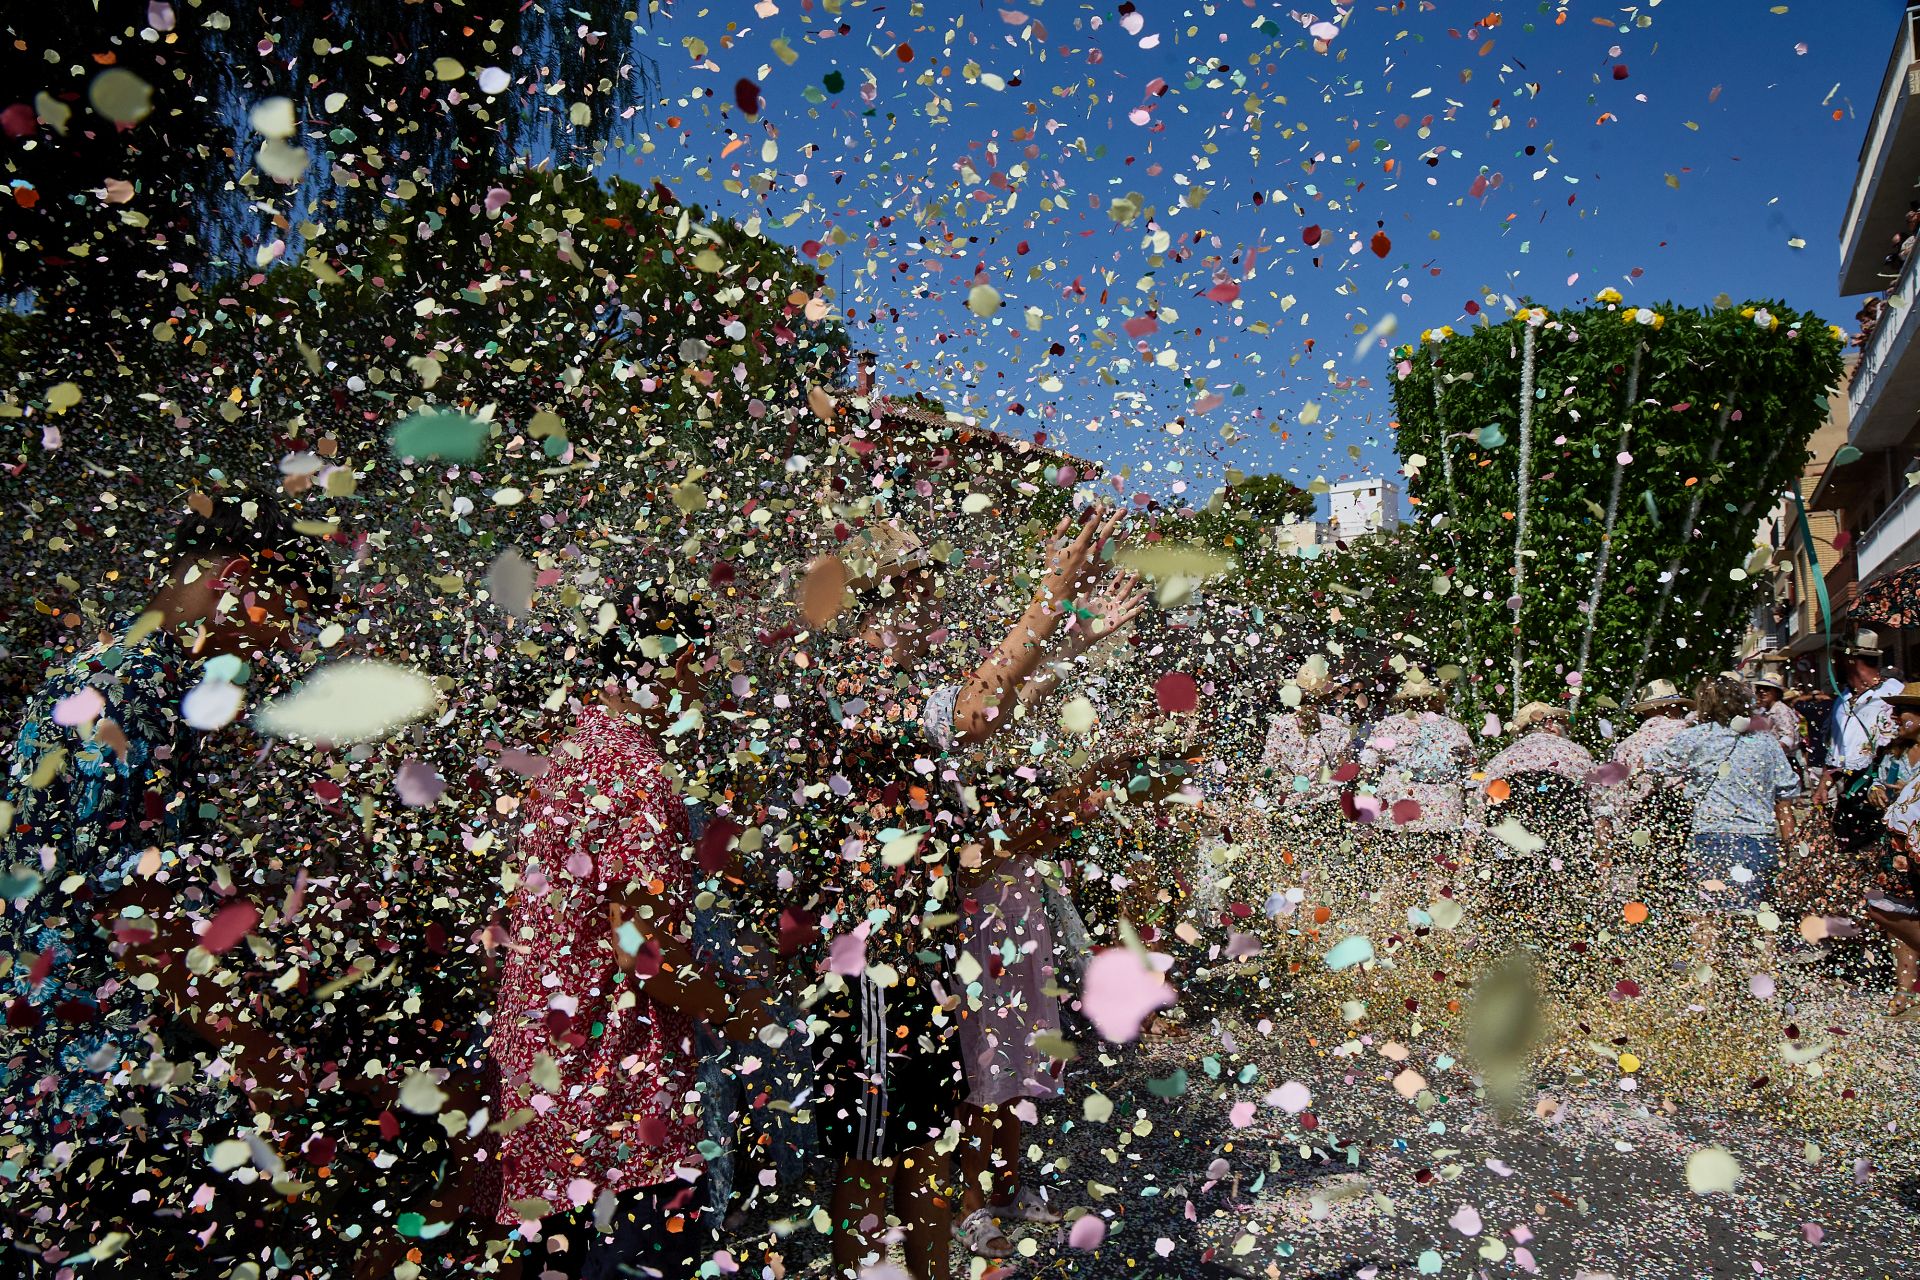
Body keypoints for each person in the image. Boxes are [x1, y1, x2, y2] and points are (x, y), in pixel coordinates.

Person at [0, 495, 330, 1268]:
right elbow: (130, 906)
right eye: (285, 617)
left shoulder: (107, 666)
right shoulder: (143, 686)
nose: (280, 645)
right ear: (236, 578)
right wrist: (255, 1054)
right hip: (93, 1070)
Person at [799, 507, 1121, 1280]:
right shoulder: (857, 685)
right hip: (874, 968)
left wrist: (1072, 638)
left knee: (923, 1150)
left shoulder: (897, 684)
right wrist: (1051, 593)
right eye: (923, 587)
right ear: (885, 601)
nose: (937, 603)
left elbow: (993, 706)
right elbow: (980, 709)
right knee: (872, 1163)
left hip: (919, 960)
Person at [489, 585, 769, 1280]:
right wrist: (737, 1012)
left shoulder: (568, 752)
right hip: (620, 1102)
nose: (698, 693)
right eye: (698, 671)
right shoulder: (638, 770)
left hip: (543, 1087)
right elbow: (640, 948)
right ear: (667, 665)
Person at [950, 563, 1150, 1258]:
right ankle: (973, 1202)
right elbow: (971, 855)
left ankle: (1007, 1186)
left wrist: (1084, 637)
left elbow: (1033, 687)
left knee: (1017, 1053)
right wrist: (1063, 811)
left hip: (1016, 904)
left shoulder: (994, 717)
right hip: (974, 914)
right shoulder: (944, 726)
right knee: (981, 1061)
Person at [1644, 677, 1800, 955]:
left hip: (1711, 837)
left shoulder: (1698, 736)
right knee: (1760, 916)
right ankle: (1765, 972)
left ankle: (1709, 975)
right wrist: (1790, 847)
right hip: (1759, 839)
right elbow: (1785, 795)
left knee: (1706, 915)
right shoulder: (1766, 742)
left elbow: (1652, 763)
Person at [1476, 702, 1597, 942]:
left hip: (1514, 842)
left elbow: (1481, 806)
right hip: (1564, 842)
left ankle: (1509, 935)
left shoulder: (1503, 758)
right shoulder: (1577, 754)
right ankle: (1564, 935)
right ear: (1552, 726)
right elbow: (1599, 804)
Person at [1361, 668, 1474, 904]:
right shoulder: (1454, 729)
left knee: (1395, 872)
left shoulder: (1389, 726)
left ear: (1405, 702)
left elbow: (1367, 765)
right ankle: (1437, 920)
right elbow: (1471, 774)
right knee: (1437, 875)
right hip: (1442, 813)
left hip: (1397, 812)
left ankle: (1393, 919)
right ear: (1435, 700)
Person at [1599, 679, 1696, 908]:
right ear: (1674, 707)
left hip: (1645, 820)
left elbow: (1616, 797)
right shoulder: (1694, 735)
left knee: (1651, 882)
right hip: (1690, 817)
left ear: (1645, 712)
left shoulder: (1627, 745)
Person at [1864, 694, 1920, 1020]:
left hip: (1914, 840)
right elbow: (1876, 780)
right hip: (1897, 842)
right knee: (1891, 910)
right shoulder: (1892, 752)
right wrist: (1876, 789)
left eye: (1903, 710)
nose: (1896, 716)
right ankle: (1905, 990)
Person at [1821, 630, 1903, 851]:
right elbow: (1836, 751)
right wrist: (1825, 781)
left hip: (1882, 795)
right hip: (1849, 798)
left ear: (1850, 659)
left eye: (1836, 657)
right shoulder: (1843, 699)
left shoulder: (1893, 694)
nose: (1833, 664)